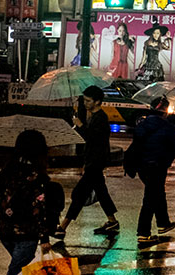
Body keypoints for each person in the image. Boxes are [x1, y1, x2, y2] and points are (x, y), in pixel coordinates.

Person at [0, 130, 63, 275]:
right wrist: (44, 238)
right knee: (16, 269)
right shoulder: (37, 176)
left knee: (20, 266)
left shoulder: (6, 170)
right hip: (26, 233)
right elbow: (39, 209)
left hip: (5, 232)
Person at [55, 85, 119, 238]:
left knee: (79, 194)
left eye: (88, 100)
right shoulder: (93, 116)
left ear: (97, 102)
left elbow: (93, 138)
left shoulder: (101, 118)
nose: (85, 103)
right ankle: (112, 220)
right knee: (100, 192)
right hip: (93, 161)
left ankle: (63, 227)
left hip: (96, 162)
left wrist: (80, 125)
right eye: (84, 100)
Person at [132, 98, 175, 246]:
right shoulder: (168, 127)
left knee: (157, 193)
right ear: (165, 111)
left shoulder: (142, 124)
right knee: (150, 198)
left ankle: (163, 223)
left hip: (142, 166)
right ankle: (143, 233)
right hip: (157, 166)